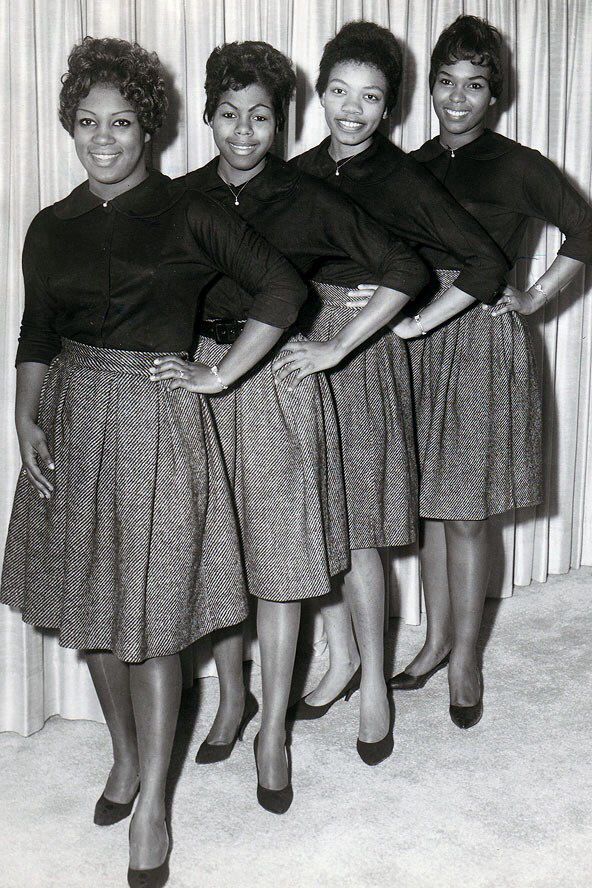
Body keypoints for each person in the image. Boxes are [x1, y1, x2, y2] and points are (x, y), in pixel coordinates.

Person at [0, 37, 309, 886]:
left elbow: (284, 290)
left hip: (156, 422)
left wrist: (217, 374)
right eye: (89, 123)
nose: (104, 139)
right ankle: (128, 756)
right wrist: (24, 413)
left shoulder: (185, 212)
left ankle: (156, 809)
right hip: (72, 419)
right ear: (71, 126)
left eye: (123, 123)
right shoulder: (50, 225)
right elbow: (37, 331)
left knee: (151, 626)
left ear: (150, 129)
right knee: (93, 611)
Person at [174, 39, 429, 786]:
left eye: (260, 117)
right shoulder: (182, 196)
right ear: (208, 117)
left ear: (282, 121)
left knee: (284, 568)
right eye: (229, 115)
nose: (244, 132)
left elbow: (405, 269)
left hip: (278, 388)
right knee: (218, 558)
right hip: (201, 387)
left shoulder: (310, 197)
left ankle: (274, 734)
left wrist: (333, 348)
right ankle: (234, 704)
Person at [290, 21, 508, 729]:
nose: (352, 110)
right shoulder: (295, 173)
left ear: (389, 109)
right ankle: (343, 656)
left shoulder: (402, 176)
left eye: (371, 97)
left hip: (361, 358)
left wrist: (409, 318)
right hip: (298, 355)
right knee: (308, 521)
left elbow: (483, 263)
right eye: (340, 93)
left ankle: (376, 684)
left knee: (355, 527)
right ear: (320, 94)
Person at [386, 14, 592, 727]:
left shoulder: (516, 164)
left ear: (494, 96)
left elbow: (586, 227)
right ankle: (438, 638)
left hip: (478, 341)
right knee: (434, 506)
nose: (457, 98)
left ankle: (467, 658)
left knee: (468, 515)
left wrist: (533, 296)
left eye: (475, 86)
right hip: (418, 341)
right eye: (446, 82)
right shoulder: (408, 164)